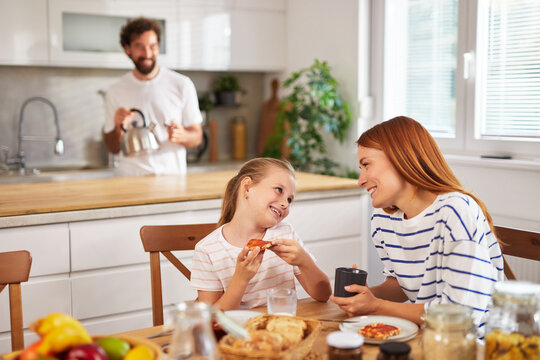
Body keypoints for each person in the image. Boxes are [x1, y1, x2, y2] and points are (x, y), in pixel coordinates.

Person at [331, 116, 504, 336]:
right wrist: (364, 296)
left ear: (400, 157)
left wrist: (376, 306)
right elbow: (401, 285)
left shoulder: (456, 211)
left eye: (366, 165)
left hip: (475, 344)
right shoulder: (382, 220)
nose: (360, 180)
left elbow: (461, 315)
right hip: (424, 336)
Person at [190, 158, 332, 310]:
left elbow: (323, 295)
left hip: (283, 327)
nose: (285, 203)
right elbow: (211, 319)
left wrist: (305, 262)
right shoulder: (208, 250)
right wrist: (241, 279)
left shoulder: (285, 234)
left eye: (290, 199)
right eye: (279, 190)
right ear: (247, 187)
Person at [103, 17, 203, 176]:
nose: (147, 53)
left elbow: (197, 137)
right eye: (139, 47)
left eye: (152, 46)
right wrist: (117, 127)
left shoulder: (182, 84)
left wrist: (183, 135)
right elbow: (113, 147)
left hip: (172, 180)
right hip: (129, 180)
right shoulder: (115, 91)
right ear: (127, 49)